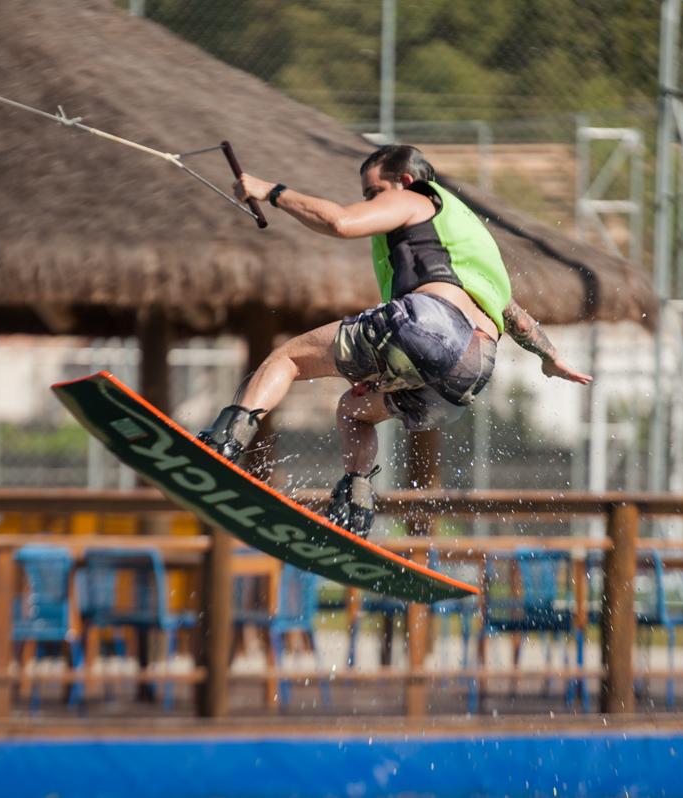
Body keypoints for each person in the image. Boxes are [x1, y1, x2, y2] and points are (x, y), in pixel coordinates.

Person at [198, 145, 592, 536]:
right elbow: (514, 316)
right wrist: (550, 356)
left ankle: (223, 445)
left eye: (373, 193)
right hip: (471, 371)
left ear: (404, 181)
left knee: (286, 359)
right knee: (354, 410)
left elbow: (339, 223)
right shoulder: (466, 236)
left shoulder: (415, 199)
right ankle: (356, 503)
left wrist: (272, 192)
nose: (370, 203)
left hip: (431, 326)